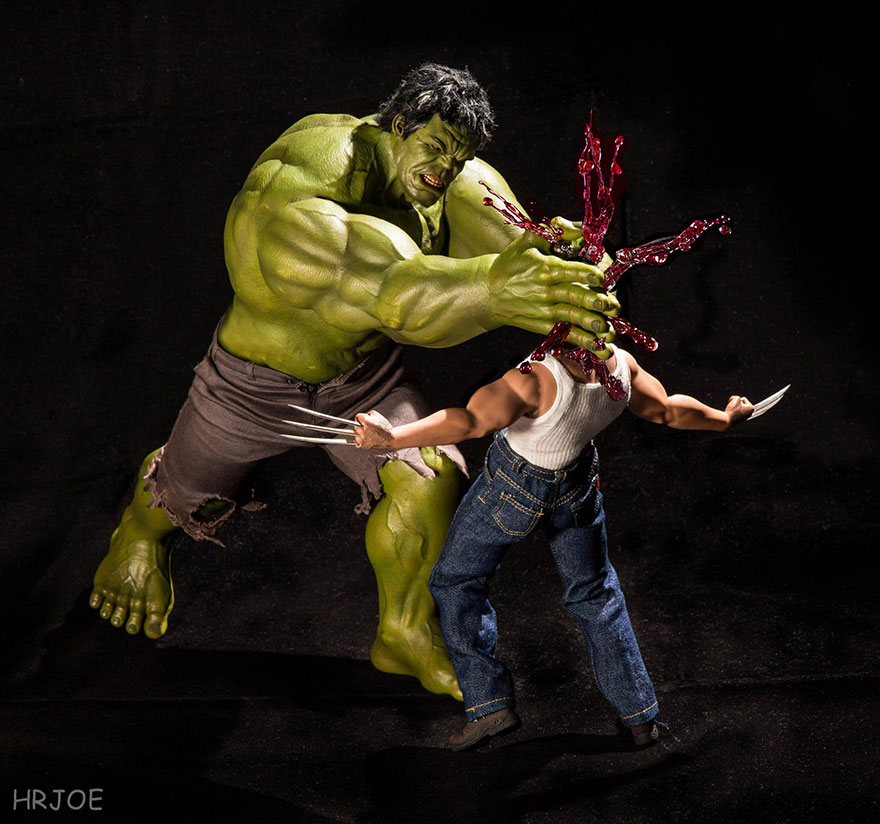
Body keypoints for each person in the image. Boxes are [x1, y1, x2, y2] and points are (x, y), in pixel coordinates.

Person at [88, 63, 620, 700]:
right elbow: (400, 300)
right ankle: (138, 536)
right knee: (184, 496)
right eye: (435, 149)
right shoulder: (295, 195)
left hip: (365, 381)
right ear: (399, 125)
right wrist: (499, 292)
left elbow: (514, 251)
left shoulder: (448, 174)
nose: (445, 170)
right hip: (251, 387)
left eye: (457, 158)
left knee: (433, 477)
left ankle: (405, 631)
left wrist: (559, 271)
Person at [354, 342, 754, 749]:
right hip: (576, 485)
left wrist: (393, 438)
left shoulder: (536, 379)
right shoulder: (621, 366)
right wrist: (724, 419)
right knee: (596, 594)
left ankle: (489, 706)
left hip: (512, 489)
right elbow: (667, 409)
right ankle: (641, 719)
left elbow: (472, 420)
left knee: (455, 581)